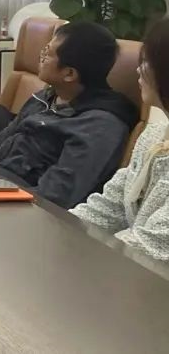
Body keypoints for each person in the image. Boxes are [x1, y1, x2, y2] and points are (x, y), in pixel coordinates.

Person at [0, 22, 137, 209]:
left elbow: (54, 197)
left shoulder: (99, 126)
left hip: (21, 209)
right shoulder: (45, 97)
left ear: (69, 73)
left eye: (48, 53)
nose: (41, 56)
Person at [72, 19, 169, 260]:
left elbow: (153, 244)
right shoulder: (154, 135)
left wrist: (81, 259)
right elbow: (109, 207)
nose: (139, 70)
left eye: (147, 62)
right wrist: (60, 231)